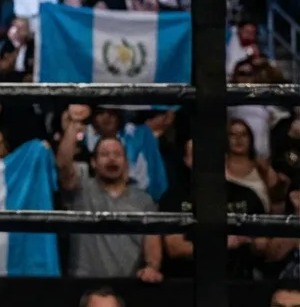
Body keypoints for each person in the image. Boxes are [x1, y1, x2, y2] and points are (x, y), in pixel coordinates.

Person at [57, 105, 161, 281]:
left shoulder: (144, 200)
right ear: (94, 162)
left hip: (128, 286)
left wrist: (152, 267)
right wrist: (74, 124)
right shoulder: (81, 189)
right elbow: (64, 165)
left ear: (126, 162)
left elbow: (152, 245)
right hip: (84, 285)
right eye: (105, 154)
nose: (112, 158)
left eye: (117, 154)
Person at [160, 138, 269, 279]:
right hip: (188, 280)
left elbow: (263, 245)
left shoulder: (248, 196)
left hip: (238, 280)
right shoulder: (174, 198)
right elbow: (174, 247)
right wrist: (221, 245)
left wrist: (249, 241)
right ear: (187, 161)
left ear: (224, 158)